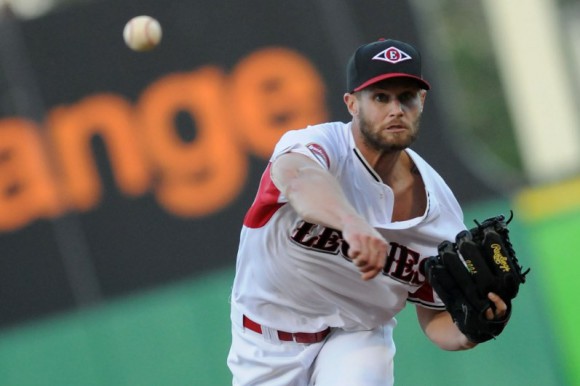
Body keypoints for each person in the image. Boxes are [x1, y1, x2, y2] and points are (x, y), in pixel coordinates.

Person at [227, 38, 507, 386]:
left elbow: (434, 317)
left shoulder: (440, 221)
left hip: (356, 336)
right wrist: (350, 222)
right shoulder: (320, 146)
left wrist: (475, 328)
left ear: (421, 102)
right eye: (380, 97)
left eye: (406, 96)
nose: (395, 109)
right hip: (265, 344)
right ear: (351, 104)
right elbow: (299, 178)